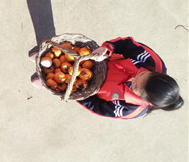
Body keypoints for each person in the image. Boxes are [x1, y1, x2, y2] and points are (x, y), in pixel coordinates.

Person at [31, 37, 183, 119]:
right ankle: (42, 59)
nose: (133, 78)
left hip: (83, 83)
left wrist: (73, 91)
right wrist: (107, 48)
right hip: (94, 61)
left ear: (147, 101)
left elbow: (96, 106)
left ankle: (45, 75)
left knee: (41, 79)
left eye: (135, 86)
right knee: (45, 58)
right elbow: (126, 44)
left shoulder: (128, 110)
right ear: (156, 73)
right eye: (141, 74)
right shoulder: (152, 61)